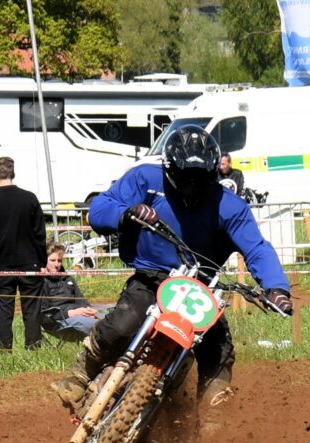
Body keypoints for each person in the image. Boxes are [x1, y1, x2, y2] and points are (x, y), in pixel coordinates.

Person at [52, 124, 292, 410]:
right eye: (186, 177)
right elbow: (101, 207)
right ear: (169, 169)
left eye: (200, 178)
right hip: (152, 278)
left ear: (213, 173)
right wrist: (126, 214)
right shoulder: (145, 179)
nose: (192, 184)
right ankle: (82, 372)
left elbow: (257, 248)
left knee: (218, 353)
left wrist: (276, 288)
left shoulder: (231, 207)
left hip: (202, 289)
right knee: (123, 323)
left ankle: (213, 422)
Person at [0, 157, 47, 351]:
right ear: (13, 173)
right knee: (32, 309)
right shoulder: (30, 198)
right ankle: (33, 349)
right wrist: (42, 262)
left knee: (3, 312)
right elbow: (40, 234)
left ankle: (4, 351)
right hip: (30, 263)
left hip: (3, 265)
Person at [40, 242, 105, 341]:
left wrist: (89, 310)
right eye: (52, 260)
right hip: (60, 321)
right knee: (100, 325)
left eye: (59, 260)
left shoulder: (68, 278)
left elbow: (81, 300)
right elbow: (44, 313)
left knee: (111, 318)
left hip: (79, 314)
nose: (56, 264)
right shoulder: (41, 282)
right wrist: (70, 313)